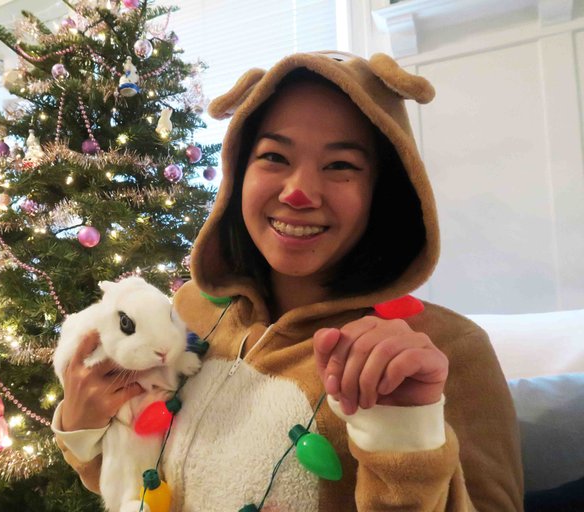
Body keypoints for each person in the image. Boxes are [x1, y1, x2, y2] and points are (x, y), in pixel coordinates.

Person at [51, 51, 524, 511]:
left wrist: (405, 439)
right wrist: (81, 425)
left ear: (383, 191)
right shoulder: (190, 310)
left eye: (341, 165)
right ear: (239, 174)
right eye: (274, 156)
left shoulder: (447, 351)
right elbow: (131, 476)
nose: (298, 192)